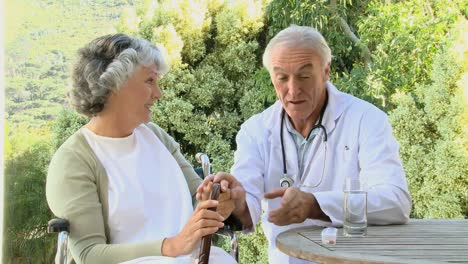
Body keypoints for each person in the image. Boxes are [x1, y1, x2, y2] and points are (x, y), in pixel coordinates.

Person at [198, 25, 412, 263]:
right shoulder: (255, 130)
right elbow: (247, 212)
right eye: (282, 78)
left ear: (326, 72)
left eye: (304, 76)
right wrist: (234, 203)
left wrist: (316, 205)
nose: (293, 89)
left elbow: (395, 202)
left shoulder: (366, 120)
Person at [46, 34, 236, 264]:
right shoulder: (74, 160)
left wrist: (216, 201)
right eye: (149, 81)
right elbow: (89, 254)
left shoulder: (154, 135)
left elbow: (199, 198)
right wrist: (171, 246)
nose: (159, 93)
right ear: (115, 85)